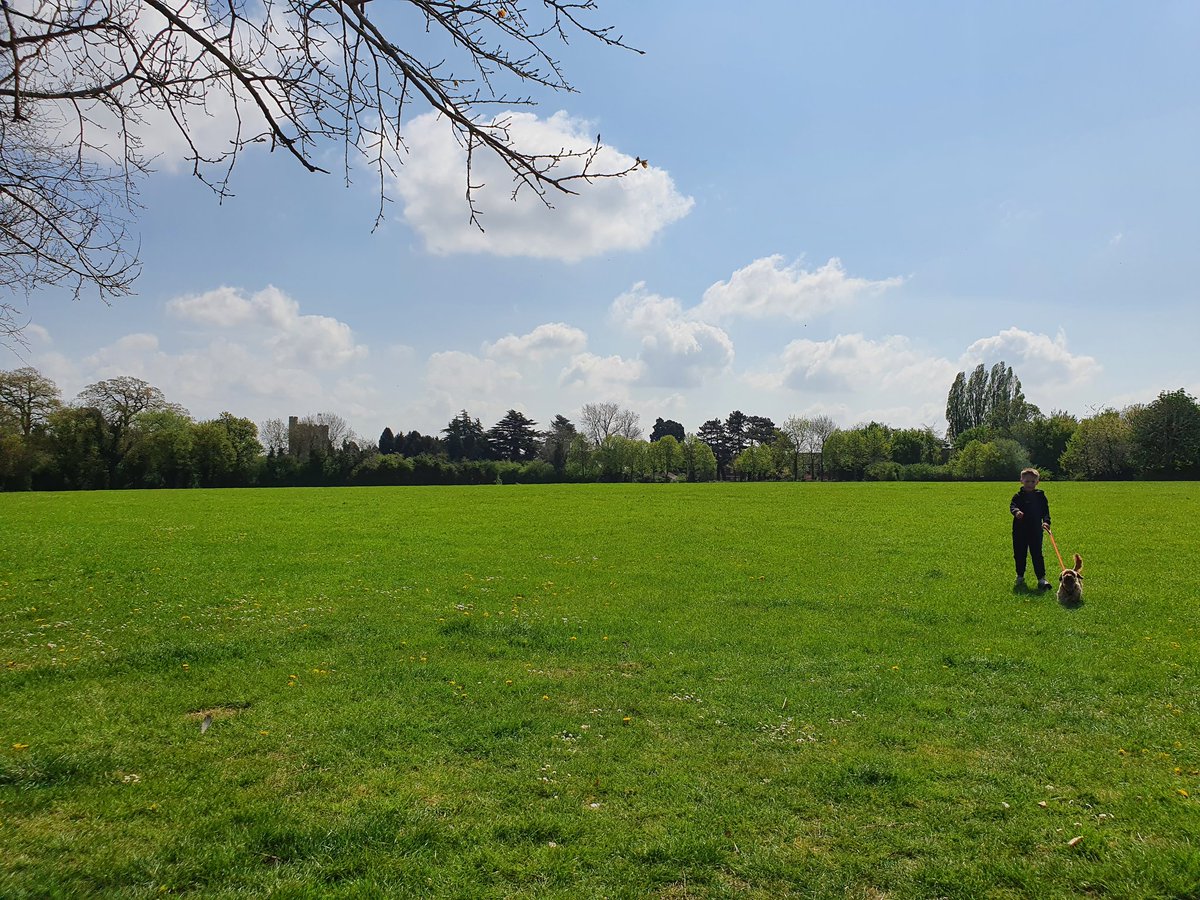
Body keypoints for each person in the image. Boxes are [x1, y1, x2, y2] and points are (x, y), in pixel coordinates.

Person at [1010, 467, 1052, 590]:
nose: (1030, 484)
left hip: (1035, 530)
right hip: (1019, 530)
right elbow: (1012, 506)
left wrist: (1046, 522)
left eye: (1033, 482)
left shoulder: (1040, 496)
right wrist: (1016, 512)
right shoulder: (1017, 496)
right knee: (1019, 554)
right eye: (1027, 481)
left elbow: (1045, 511)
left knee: (1037, 554)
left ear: (1037, 482)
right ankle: (1020, 576)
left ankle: (1041, 579)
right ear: (1021, 481)